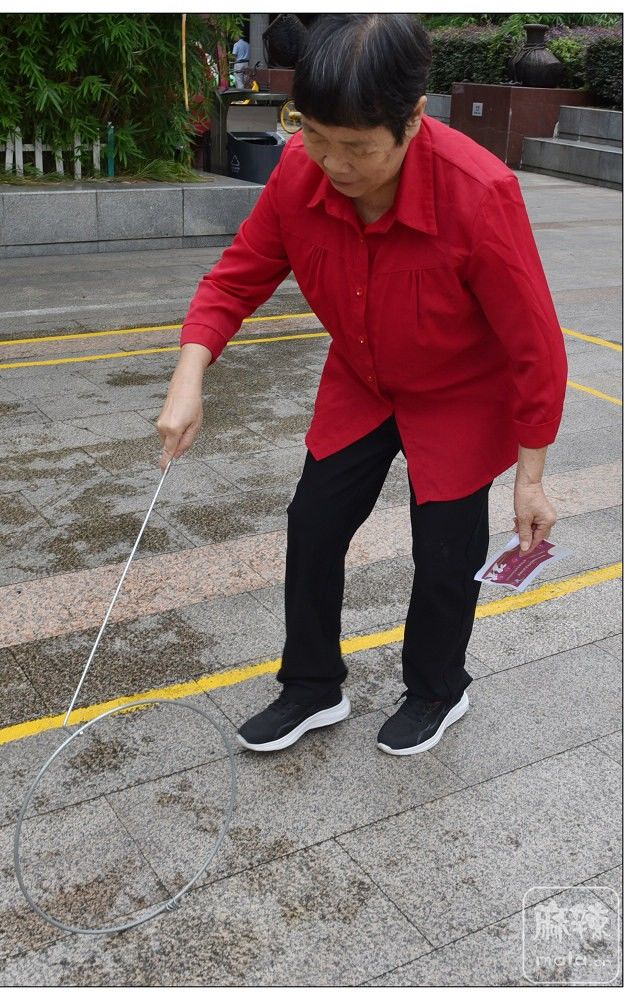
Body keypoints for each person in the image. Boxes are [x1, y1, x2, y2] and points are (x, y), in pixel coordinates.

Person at [156, 14, 567, 757]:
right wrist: (190, 376)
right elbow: (234, 280)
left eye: (357, 147)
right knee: (313, 524)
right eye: (315, 135)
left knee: (445, 553)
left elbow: (535, 343)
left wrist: (531, 478)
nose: (333, 163)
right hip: (362, 377)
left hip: (458, 393)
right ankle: (312, 685)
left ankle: (438, 688)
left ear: (413, 119)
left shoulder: (480, 193)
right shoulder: (298, 171)